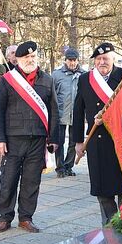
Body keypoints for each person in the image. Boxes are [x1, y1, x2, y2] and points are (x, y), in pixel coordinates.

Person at [0, 40, 58, 233]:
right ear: (17, 59)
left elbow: (54, 110)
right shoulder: (8, 79)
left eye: (33, 56)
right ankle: (5, 217)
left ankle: (26, 217)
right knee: (9, 180)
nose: (30, 59)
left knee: (31, 181)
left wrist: (54, 138)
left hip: (37, 138)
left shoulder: (47, 80)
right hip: (13, 139)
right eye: (26, 57)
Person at [72, 42, 122, 224]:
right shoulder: (85, 79)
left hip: (120, 139)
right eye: (98, 59)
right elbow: (78, 110)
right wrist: (78, 142)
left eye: (105, 58)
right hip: (97, 141)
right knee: (102, 189)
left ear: (113, 59)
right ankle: (110, 225)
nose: (102, 62)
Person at [51, 48, 82, 177]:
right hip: (60, 114)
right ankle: (60, 167)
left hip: (76, 114)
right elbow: (52, 94)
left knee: (73, 142)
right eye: (70, 60)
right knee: (59, 141)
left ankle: (69, 166)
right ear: (65, 60)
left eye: (74, 60)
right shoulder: (57, 75)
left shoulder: (83, 75)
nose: (72, 63)